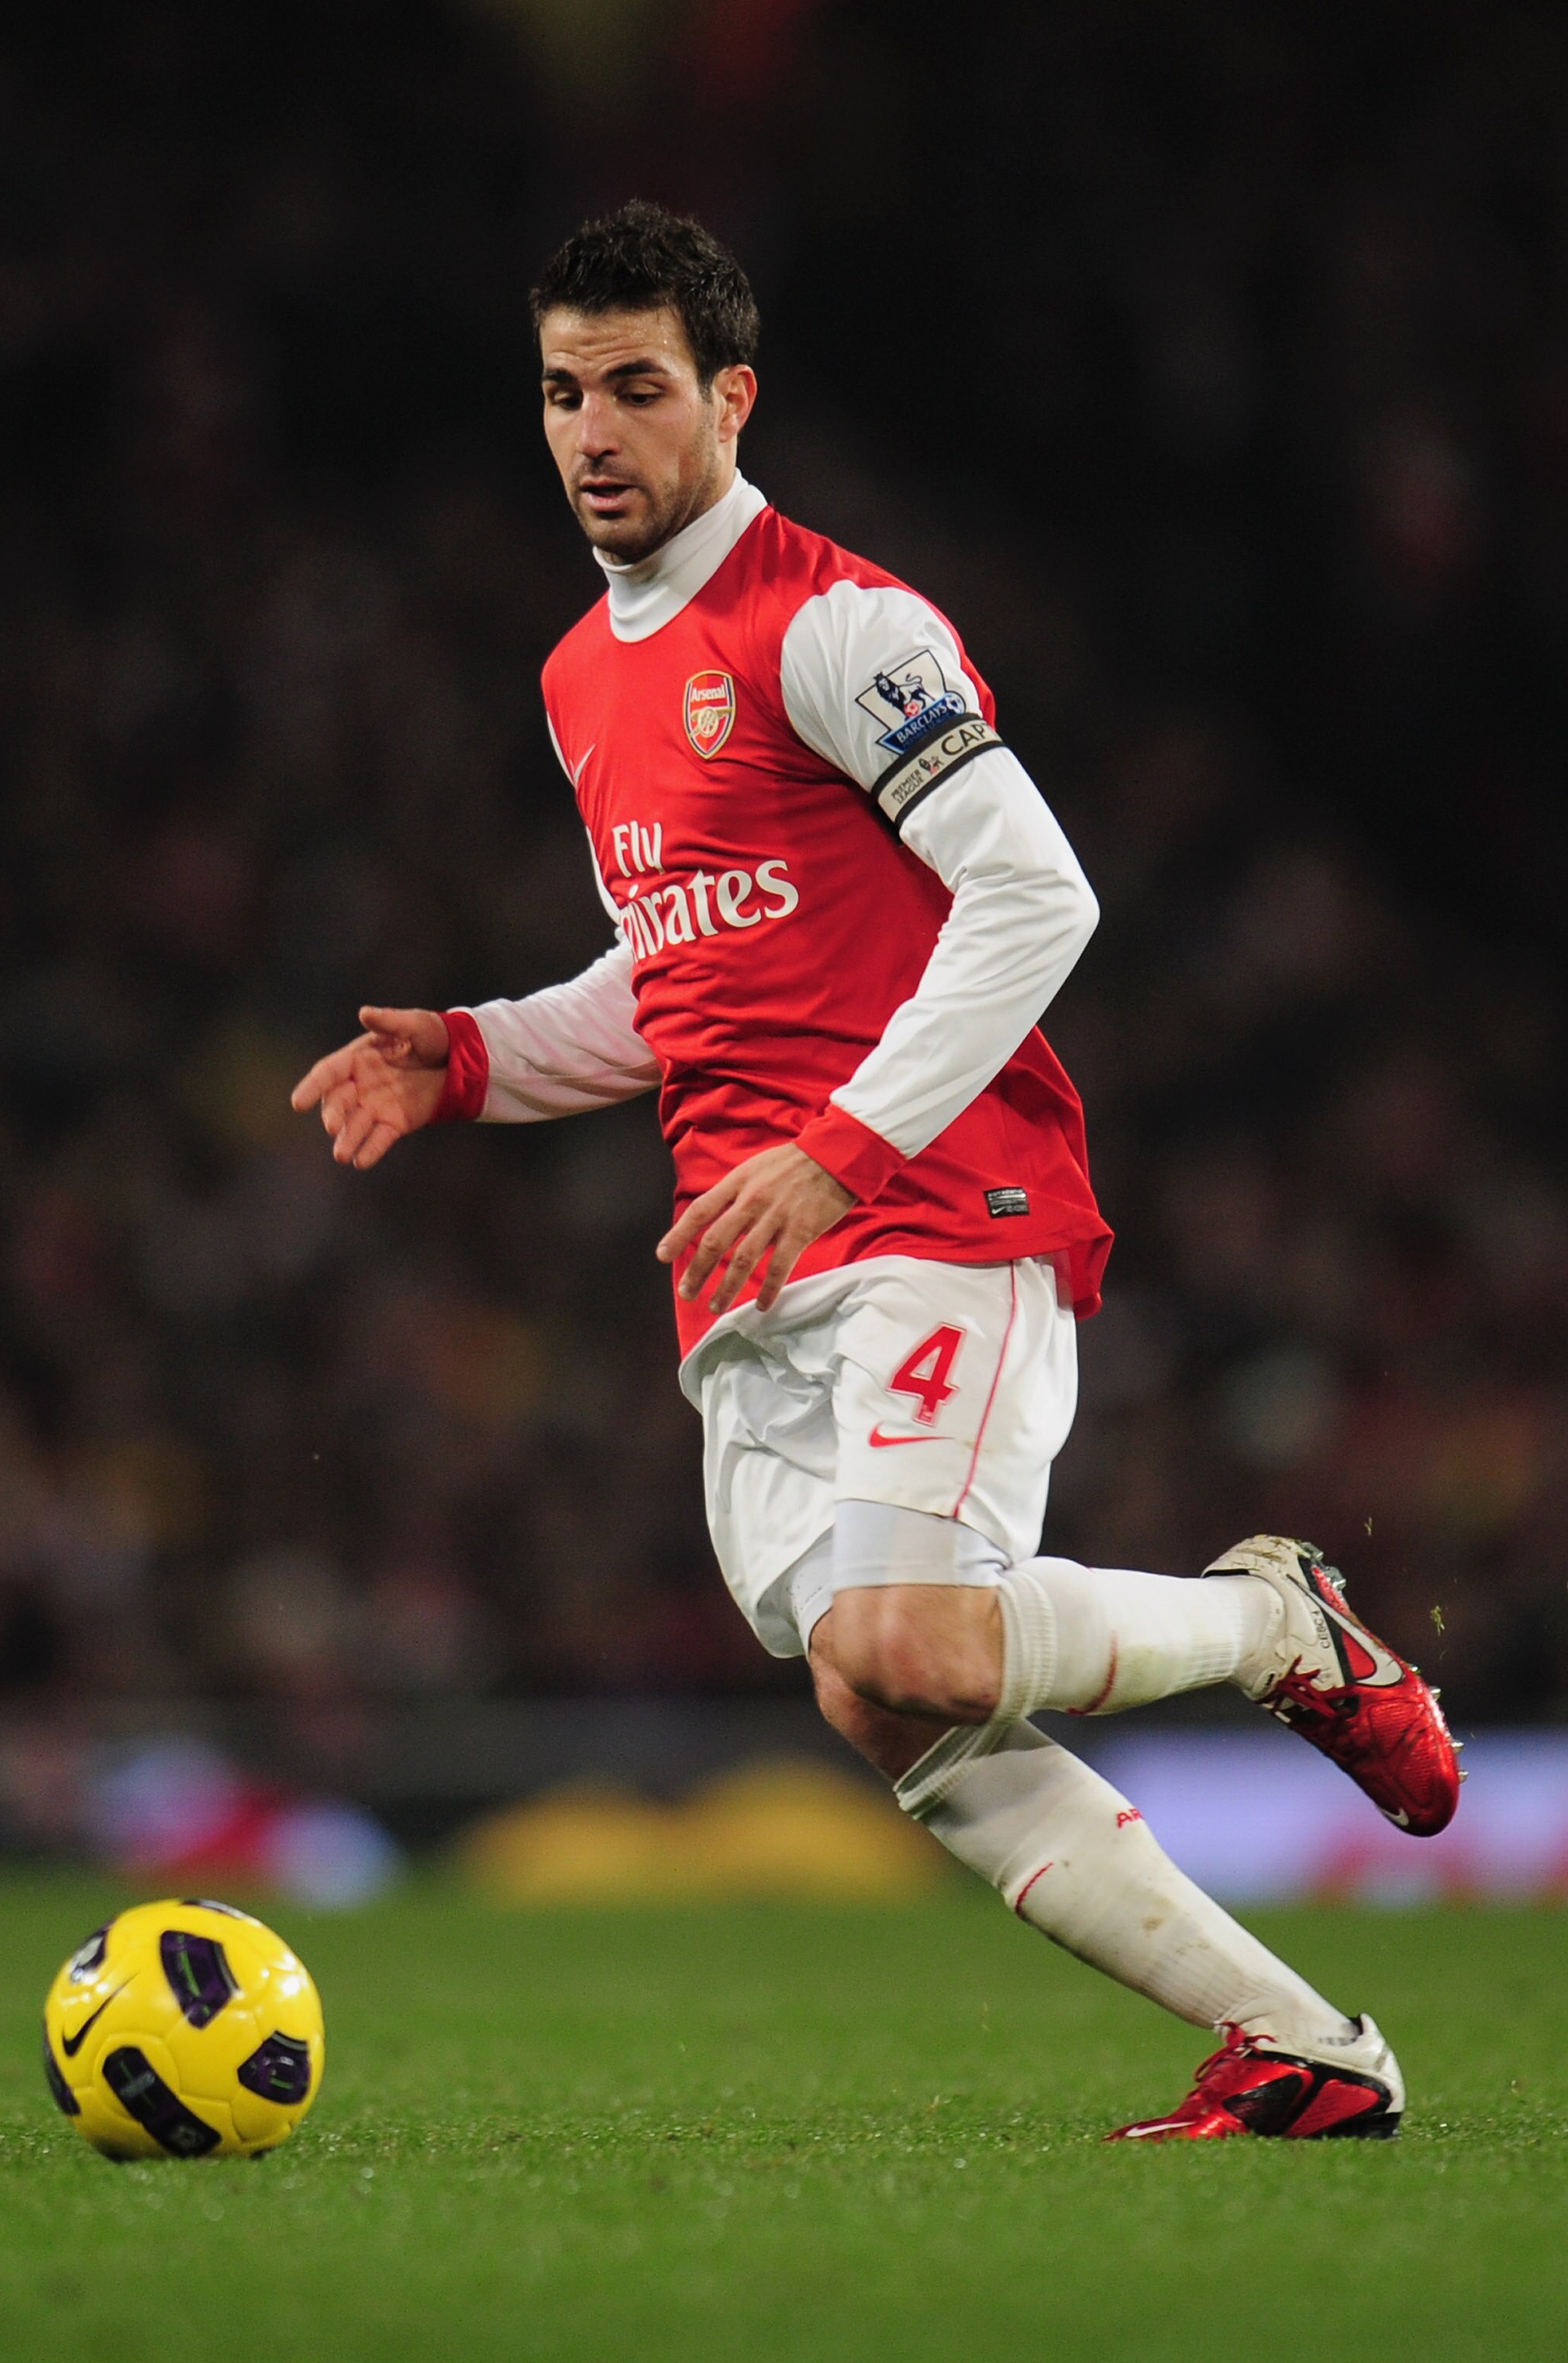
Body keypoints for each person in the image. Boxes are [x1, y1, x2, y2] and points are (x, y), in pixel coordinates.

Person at [292, 202, 1461, 2141]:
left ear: (732, 397)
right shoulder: (585, 678)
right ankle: (1308, 2051)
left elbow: (1035, 890)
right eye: (564, 391)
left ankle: (1287, 1625)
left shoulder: (839, 623)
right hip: (744, 1268)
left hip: (936, 1207)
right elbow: (676, 981)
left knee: (908, 1635)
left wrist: (846, 1147)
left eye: (637, 388)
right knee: (889, 1699)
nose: (593, 429)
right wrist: (478, 1054)